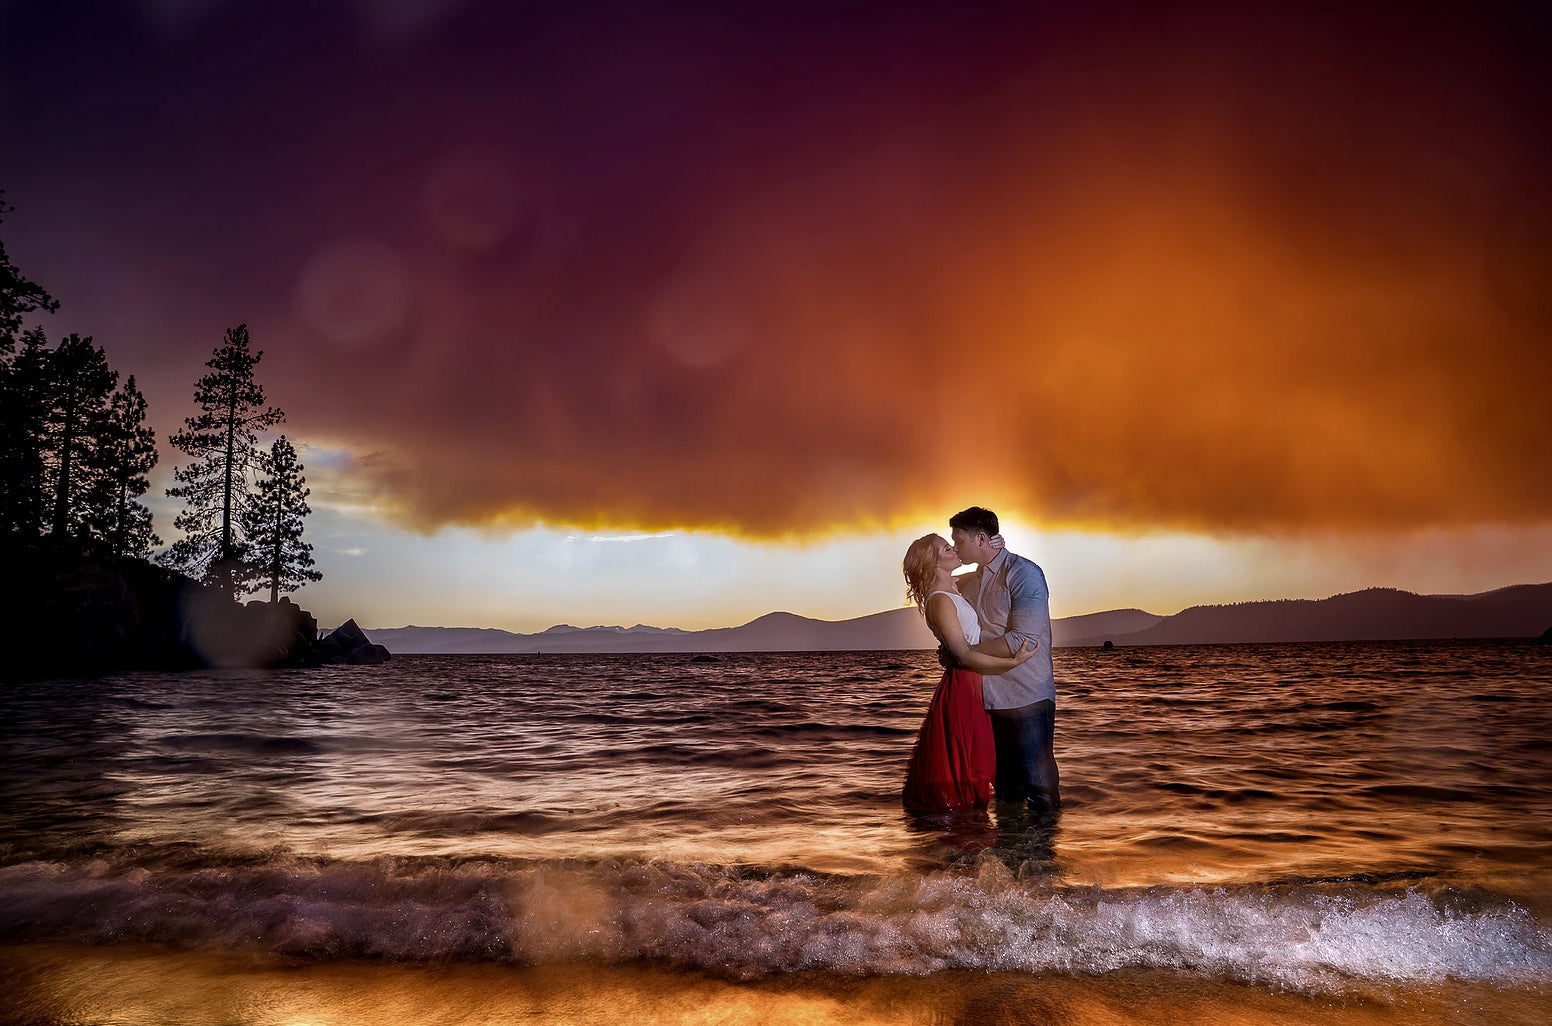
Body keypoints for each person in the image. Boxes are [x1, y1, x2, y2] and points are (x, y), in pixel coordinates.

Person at [900, 533, 1039, 813]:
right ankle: (966, 837)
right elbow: (962, 654)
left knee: (975, 761)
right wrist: (1011, 663)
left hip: (975, 681)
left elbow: (985, 570)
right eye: (947, 548)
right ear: (934, 562)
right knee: (967, 764)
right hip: (964, 684)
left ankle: (978, 836)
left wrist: (994, 546)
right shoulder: (940, 601)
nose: (954, 550)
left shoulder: (954, 587)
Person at [949, 506, 1061, 813]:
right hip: (987, 700)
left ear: (981, 538)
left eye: (959, 540)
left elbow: (1019, 641)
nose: (955, 546)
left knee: (1040, 792)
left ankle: (1045, 860)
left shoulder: (1024, 573)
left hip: (1027, 696)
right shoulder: (971, 580)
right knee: (1005, 794)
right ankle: (1010, 857)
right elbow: (936, 579)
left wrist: (962, 649)